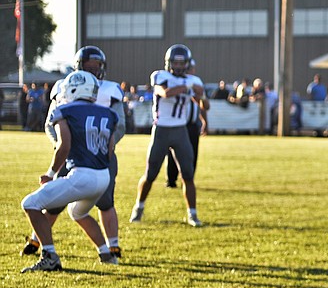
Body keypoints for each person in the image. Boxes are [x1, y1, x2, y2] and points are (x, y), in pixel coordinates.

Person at [23, 46, 127, 264]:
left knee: (30, 203)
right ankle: (107, 255)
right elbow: (109, 147)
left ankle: (49, 256)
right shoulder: (107, 113)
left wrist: (51, 173)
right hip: (102, 175)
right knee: (77, 213)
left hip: (81, 174)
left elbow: (64, 145)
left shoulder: (65, 109)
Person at [130, 44, 203, 227]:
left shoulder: (193, 80)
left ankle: (192, 214)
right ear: (169, 63)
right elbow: (166, 92)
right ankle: (138, 207)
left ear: (187, 63)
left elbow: (202, 101)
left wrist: (200, 94)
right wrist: (187, 85)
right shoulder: (161, 76)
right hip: (161, 129)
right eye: (175, 63)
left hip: (181, 130)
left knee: (188, 174)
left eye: (181, 63)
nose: (178, 66)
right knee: (150, 174)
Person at [165, 58, 206, 189]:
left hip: (193, 124)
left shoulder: (195, 83)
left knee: (192, 153)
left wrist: (205, 121)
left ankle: (188, 180)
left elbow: (202, 105)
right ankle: (171, 180)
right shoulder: (177, 82)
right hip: (179, 124)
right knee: (173, 154)